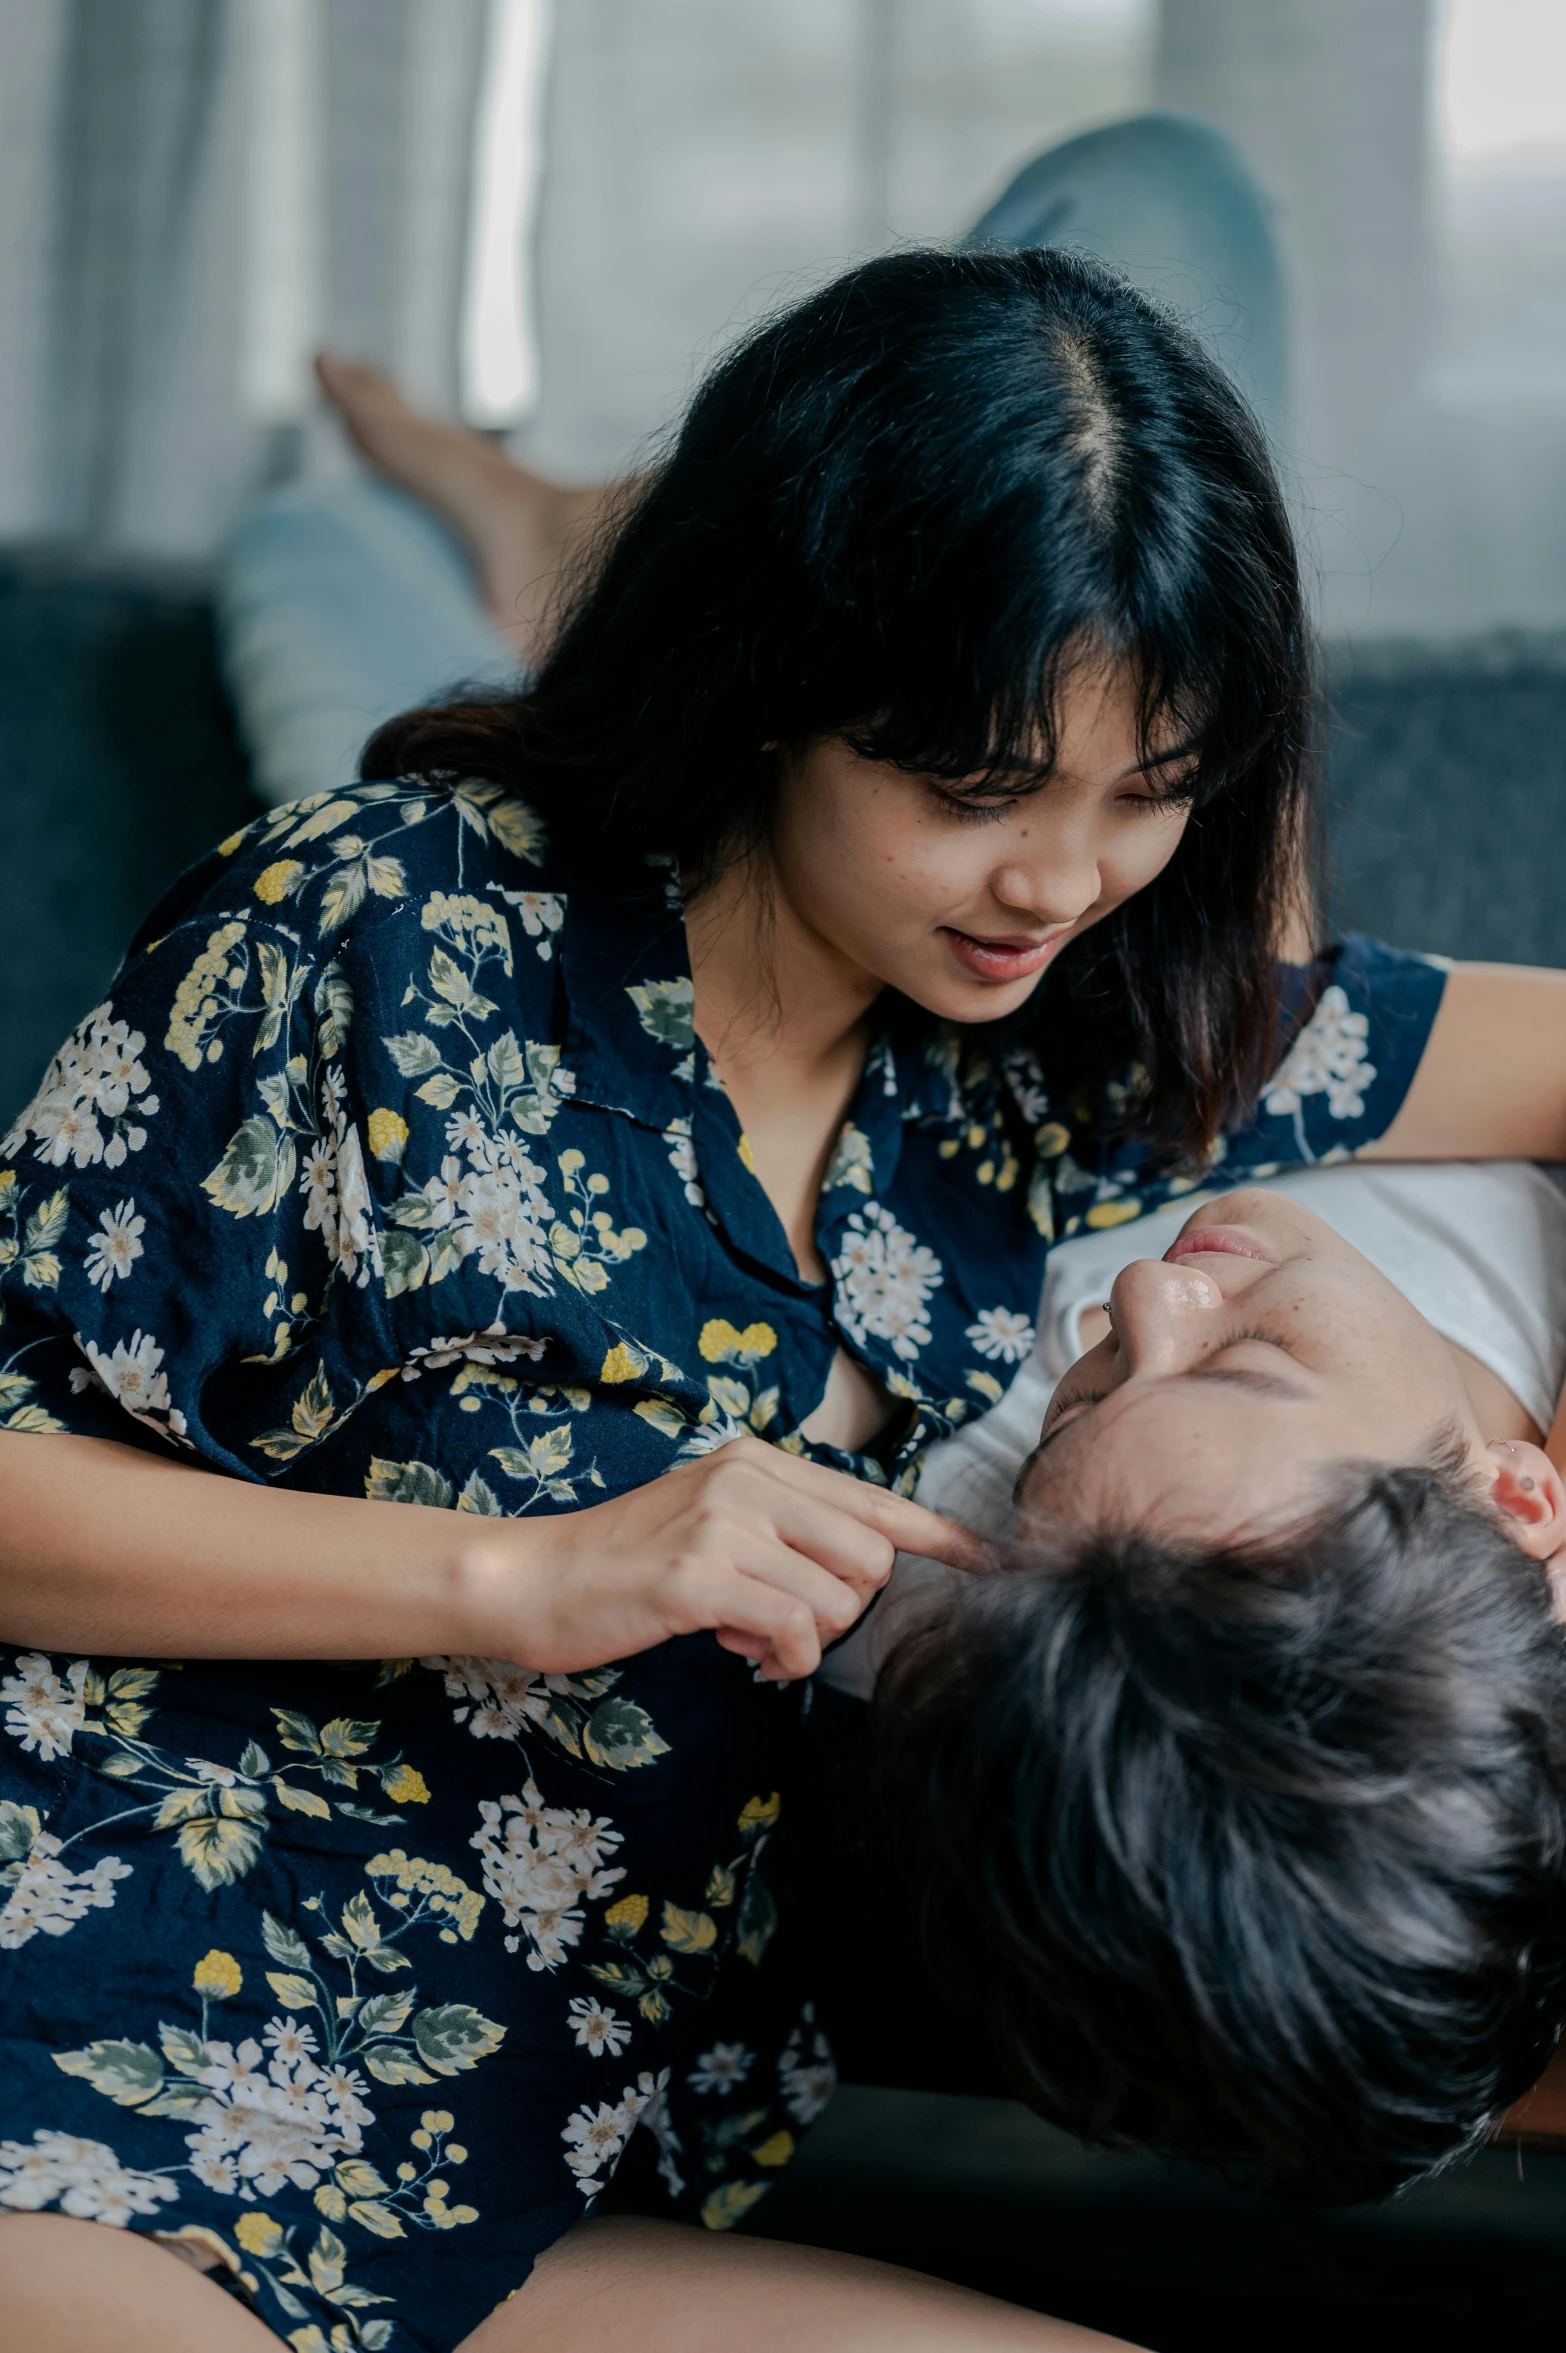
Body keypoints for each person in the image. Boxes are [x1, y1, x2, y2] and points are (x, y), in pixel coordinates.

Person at [0, 129, 1541, 2353]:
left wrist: (1530, 1499)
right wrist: (534, 1576)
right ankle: (458, 511)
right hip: (88, 2056)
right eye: (982, 789)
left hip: (536, 2169)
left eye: (1152, 785)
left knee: (1160, 198)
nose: (1063, 880)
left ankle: (496, 517)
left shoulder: (1068, 1032)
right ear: (775, 682)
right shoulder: (376, 931)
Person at [863, 1150, 1566, 2206]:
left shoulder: (940, 1596)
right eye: (1248, 1358)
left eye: (1073, 1418)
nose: (1141, 1293)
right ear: (1519, 1500)